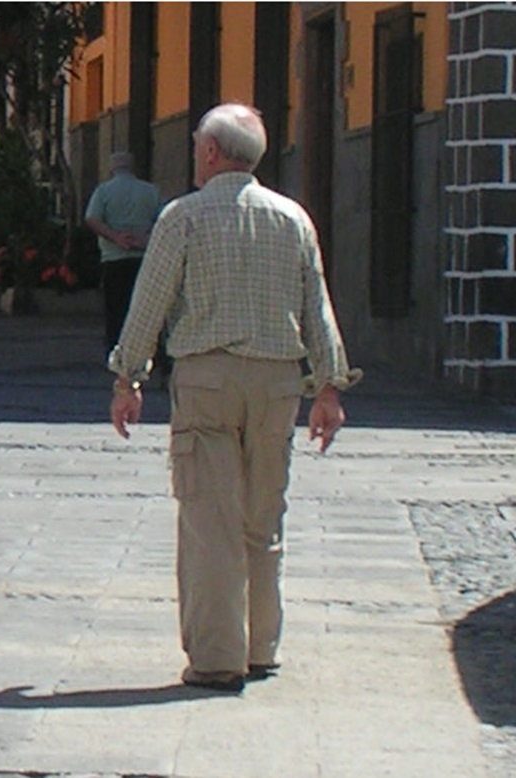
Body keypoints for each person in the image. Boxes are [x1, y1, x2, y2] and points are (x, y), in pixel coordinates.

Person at [107, 103, 361, 694]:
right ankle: (260, 645)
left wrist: (129, 379)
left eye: (199, 144)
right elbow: (316, 308)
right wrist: (328, 387)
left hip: (208, 383)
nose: (196, 152)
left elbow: (149, 304)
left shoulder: (183, 218)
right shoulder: (292, 218)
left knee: (209, 520)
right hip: (277, 384)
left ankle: (219, 658)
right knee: (263, 515)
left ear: (213, 152)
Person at [85, 151, 162, 356]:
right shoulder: (151, 191)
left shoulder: (103, 191)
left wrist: (116, 236)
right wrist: (143, 239)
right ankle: (145, 350)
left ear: (112, 168)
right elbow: (163, 220)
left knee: (115, 308)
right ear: (133, 167)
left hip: (113, 258)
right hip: (143, 258)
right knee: (141, 307)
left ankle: (116, 351)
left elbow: (92, 219)